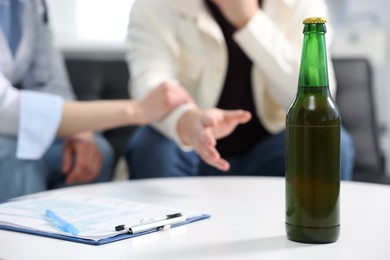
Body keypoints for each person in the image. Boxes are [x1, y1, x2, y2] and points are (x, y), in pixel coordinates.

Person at [125, 0, 355, 180]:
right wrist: (187, 120)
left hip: (270, 150)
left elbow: (314, 101)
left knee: (325, 139)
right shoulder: (153, 6)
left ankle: (313, 231)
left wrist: (249, 20)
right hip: (190, 146)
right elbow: (150, 83)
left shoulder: (301, 5)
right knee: (153, 146)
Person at [0, 0, 189, 200]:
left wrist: (77, 130)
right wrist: (136, 111)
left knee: (95, 150)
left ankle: (79, 229)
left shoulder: (28, 5)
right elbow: (5, 107)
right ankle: (21, 230)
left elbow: (50, 84)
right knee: (16, 157)